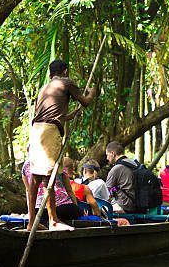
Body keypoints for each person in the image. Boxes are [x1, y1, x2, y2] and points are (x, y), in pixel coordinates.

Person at [27, 59, 97, 231]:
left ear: (50, 74)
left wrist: (71, 115)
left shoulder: (45, 88)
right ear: (65, 71)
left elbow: (50, 114)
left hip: (36, 130)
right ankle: (53, 221)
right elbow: (85, 101)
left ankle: (31, 222)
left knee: (35, 178)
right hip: (50, 132)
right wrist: (92, 92)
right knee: (48, 177)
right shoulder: (65, 82)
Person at [22, 160, 84, 225]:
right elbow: (69, 191)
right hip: (65, 208)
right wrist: (76, 208)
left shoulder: (26, 166)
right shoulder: (54, 159)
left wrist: (31, 214)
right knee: (78, 212)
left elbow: (28, 191)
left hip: (39, 211)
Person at [104, 141, 137, 213]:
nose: (107, 158)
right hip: (138, 203)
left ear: (112, 153)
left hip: (125, 205)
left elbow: (106, 192)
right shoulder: (133, 163)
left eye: (107, 155)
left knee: (101, 210)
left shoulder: (116, 169)